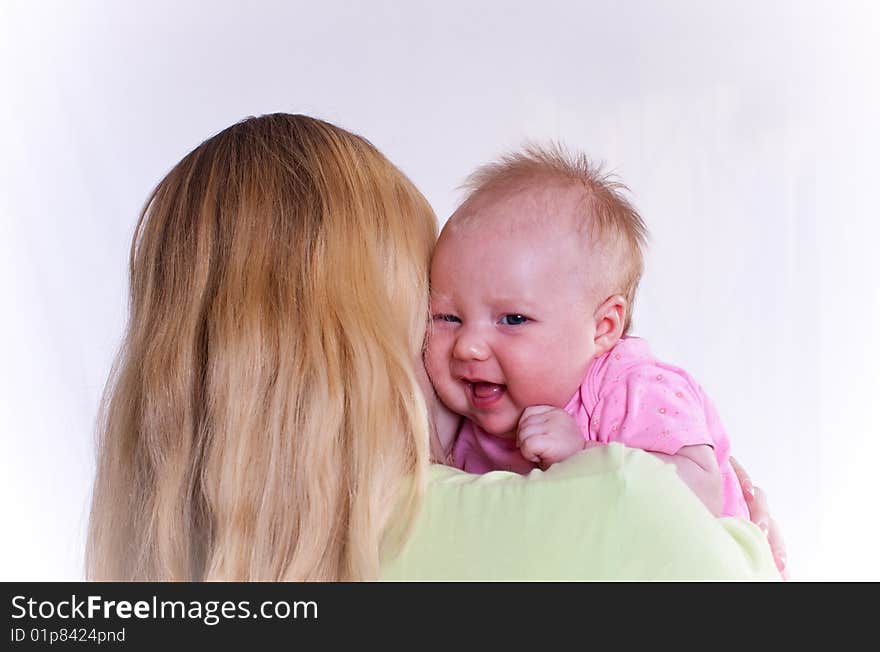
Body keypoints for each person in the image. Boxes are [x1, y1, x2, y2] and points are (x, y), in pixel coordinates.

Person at [86, 113, 782, 581]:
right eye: (440, 313)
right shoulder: (616, 502)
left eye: (507, 318)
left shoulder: (156, 558)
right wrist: (744, 548)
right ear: (377, 328)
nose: (466, 351)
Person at [425, 145, 746, 518]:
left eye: (512, 319)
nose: (468, 347)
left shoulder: (630, 388)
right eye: (448, 317)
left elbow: (700, 490)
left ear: (603, 328)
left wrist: (583, 456)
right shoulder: (460, 418)